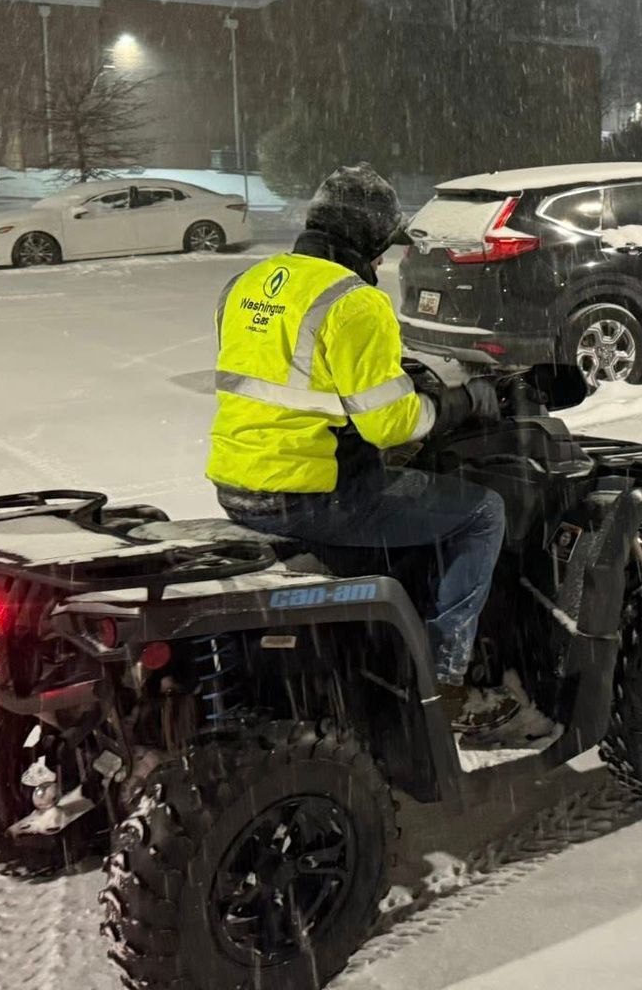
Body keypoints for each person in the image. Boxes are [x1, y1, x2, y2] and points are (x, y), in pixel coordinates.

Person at [206, 164, 504, 719]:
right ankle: (446, 679)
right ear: (366, 240)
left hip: (237, 487)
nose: (382, 261)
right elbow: (390, 426)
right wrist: (460, 403)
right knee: (483, 513)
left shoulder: (245, 284)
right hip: (313, 498)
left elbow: (293, 376)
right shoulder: (354, 302)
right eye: (382, 248)